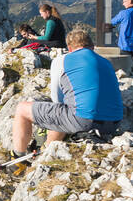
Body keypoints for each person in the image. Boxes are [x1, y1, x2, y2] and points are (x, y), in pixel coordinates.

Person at [12, 24, 123, 154]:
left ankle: (17, 157)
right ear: (92, 47)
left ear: (69, 48)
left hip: (85, 121)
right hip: (114, 122)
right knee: (66, 111)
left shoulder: (62, 60)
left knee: (22, 109)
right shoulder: (106, 62)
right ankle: (47, 149)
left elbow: (56, 97)